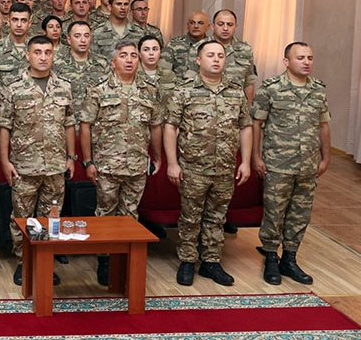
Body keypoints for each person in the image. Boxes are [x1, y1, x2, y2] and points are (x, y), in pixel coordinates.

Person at [164, 40, 252, 287]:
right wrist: (172, 163)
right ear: (198, 60)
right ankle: (187, 260)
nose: (216, 59)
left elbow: (245, 127)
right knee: (190, 217)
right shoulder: (184, 91)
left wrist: (245, 162)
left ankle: (211, 262)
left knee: (217, 217)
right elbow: (170, 127)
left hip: (224, 167)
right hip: (193, 167)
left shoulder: (235, 91)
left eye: (220, 56)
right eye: (210, 55)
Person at [79, 40, 164, 286]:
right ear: (113, 61)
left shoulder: (150, 89)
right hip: (107, 165)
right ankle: (105, 260)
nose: (129, 60)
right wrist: (88, 161)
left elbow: (155, 126)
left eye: (134, 55)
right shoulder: (98, 89)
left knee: (130, 215)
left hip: (137, 164)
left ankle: (125, 261)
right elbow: (85, 126)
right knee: (105, 214)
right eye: (124, 55)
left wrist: (157, 156)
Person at [0, 35, 76, 287]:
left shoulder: (63, 87)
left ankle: (43, 261)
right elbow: (4, 127)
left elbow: (69, 124)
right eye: (38, 52)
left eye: (47, 52)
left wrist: (71, 157)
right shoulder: (14, 88)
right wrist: (4, 161)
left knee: (50, 217)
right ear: (28, 55)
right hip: (24, 166)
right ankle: (24, 261)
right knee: (23, 216)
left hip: (55, 166)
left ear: (53, 55)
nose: (43, 57)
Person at [252, 42, 330, 285]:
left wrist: (326, 157)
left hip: (307, 164)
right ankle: (270, 258)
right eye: (300, 58)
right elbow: (256, 124)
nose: (306, 62)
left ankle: (289, 259)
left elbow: (323, 125)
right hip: (278, 164)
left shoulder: (318, 90)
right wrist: (256, 157)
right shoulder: (271, 89)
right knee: (274, 213)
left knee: (300, 214)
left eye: (310, 58)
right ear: (286, 62)